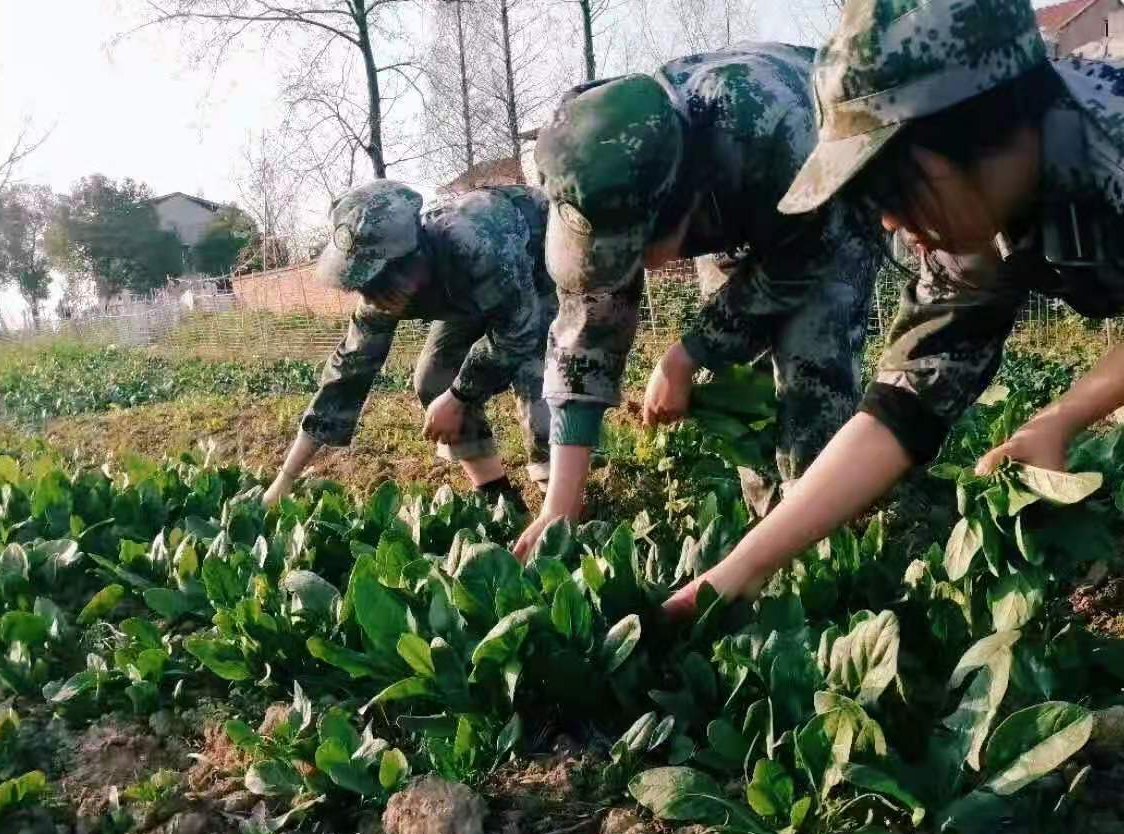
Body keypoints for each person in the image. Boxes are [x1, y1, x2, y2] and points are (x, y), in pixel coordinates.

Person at [661, 0, 1124, 656]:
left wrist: (1064, 414)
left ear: (989, 131)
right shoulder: (965, 212)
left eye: (894, 183)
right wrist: (741, 570)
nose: (891, 220)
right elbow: (905, 399)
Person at [512, 45, 885, 559]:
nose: (637, 267)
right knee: (744, 386)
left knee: (811, 370)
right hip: (731, 206)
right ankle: (768, 523)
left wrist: (688, 351)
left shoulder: (775, 127)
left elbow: (804, 262)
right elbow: (585, 333)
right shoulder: (594, 172)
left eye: (643, 250)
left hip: (817, 205)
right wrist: (560, 503)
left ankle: (825, 546)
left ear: (680, 205)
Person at [263, 180, 554, 510]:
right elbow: (345, 376)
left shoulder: (476, 239)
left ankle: (561, 512)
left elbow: (518, 331)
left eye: (381, 279)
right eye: (364, 283)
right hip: (469, 295)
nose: (374, 296)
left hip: (536, 271)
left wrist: (460, 396)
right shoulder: (381, 294)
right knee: (434, 379)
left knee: (538, 387)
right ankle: (500, 503)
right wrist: (284, 480)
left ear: (413, 255)